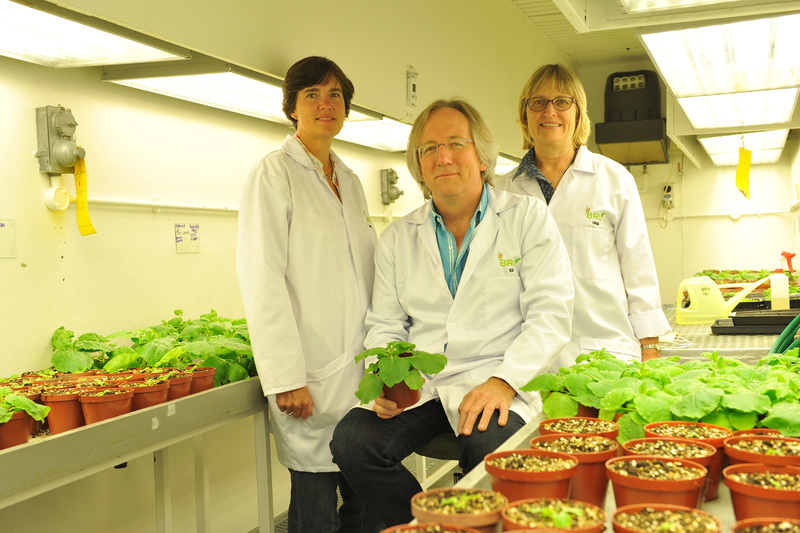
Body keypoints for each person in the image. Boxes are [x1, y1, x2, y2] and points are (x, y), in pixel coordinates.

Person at [330, 98, 574, 528]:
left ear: (481, 157)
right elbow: (385, 325)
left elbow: (550, 314)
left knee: (491, 447)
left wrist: (503, 381)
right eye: (428, 149)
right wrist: (384, 378)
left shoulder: (526, 218)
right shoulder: (398, 237)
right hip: (423, 385)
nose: (442, 157)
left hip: (498, 377)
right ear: (419, 166)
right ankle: (431, 522)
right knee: (352, 441)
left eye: (455, 143)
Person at [236, 56, 381, 533]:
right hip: (309, 378)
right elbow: (262, 279)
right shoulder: (274, 174)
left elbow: (367, 271)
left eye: (336, 95)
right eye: (313, 95)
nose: (326, 104)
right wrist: (285, 376)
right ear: (292, 108)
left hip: (359, 375)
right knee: (316, 510)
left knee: (362, 503)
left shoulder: (352, 181)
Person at [495, 63, 670, 366]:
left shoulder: (614, 180)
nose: (549, 112)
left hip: (603, 354)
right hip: (524, 361)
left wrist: (649, 348)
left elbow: (637, 268)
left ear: (578, 113)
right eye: (537, 103)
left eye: (562, 102)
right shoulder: (500, 192)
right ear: (525, 114)